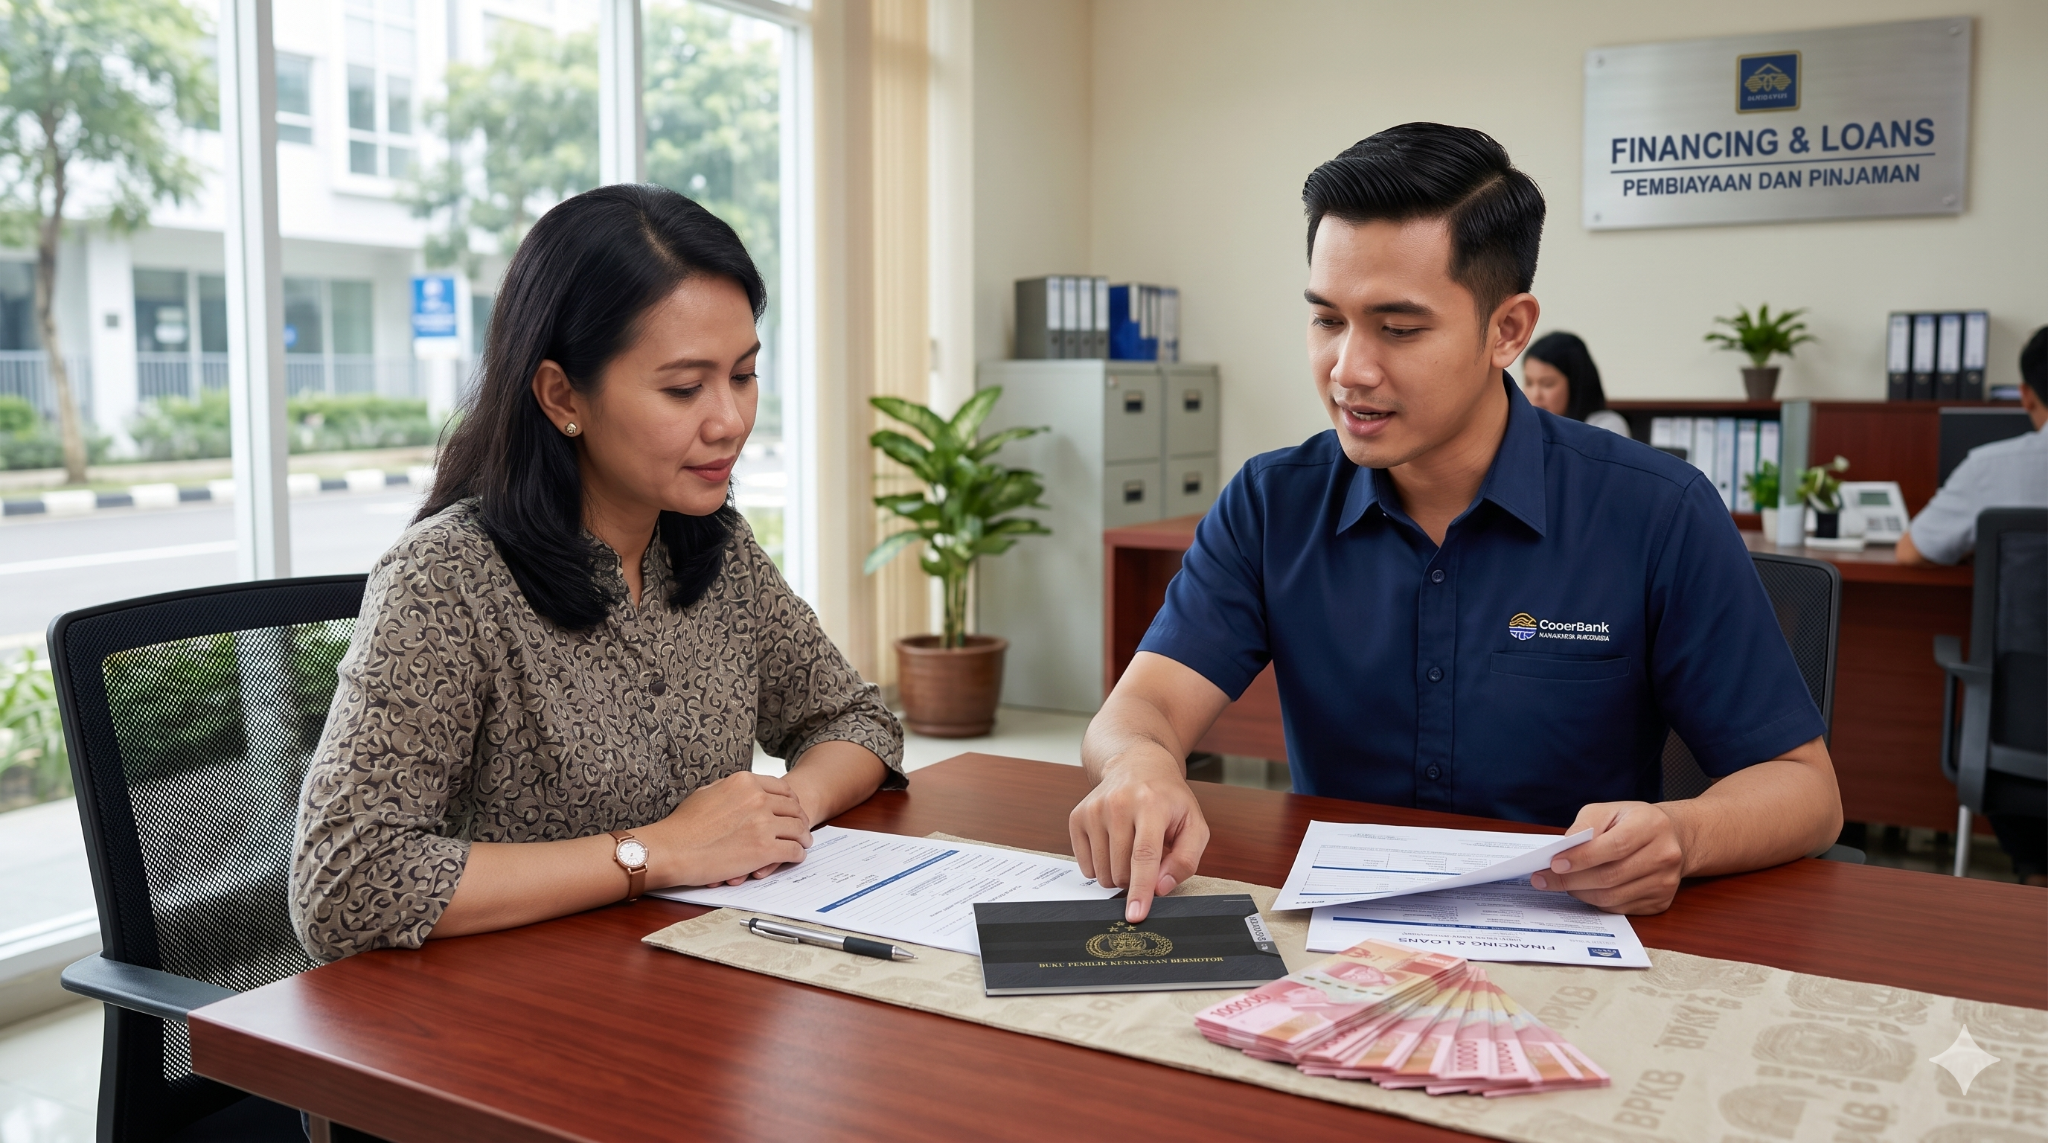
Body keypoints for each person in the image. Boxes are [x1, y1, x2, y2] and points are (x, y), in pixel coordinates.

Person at [1069, 124, 1841, 924]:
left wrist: (1682, 832)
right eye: (1328, 319)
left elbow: (1806, 791)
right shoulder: (1273, 502)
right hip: (1338, 944)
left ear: (1507, 330)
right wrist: (1140, 766)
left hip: (1572, 939)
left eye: (1398, 328)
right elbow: (1141, 707)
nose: (1348, 370)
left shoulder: (1657, 509)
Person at [291, 185, 904, 962]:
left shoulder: (711, 544)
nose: (731, 420)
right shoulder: (446, 579)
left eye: (743, 374)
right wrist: (658, 852)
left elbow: (856, 721)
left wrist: (780, 810)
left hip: (682, 989)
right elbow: (345, 883)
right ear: (562, 395)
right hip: (507, 1022)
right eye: (684, 387)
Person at [1895, 324, 2047, 886]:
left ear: (2027, 393)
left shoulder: (1993, 467)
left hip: (2021, 730)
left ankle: (2032, 873)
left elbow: (1912, 551)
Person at [1521, 331, 1630, 436]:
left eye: (1547, 384)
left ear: (1575, 384)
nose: (1536, 395)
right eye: (1529, 383)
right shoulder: (1519, 426)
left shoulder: (1606, 426)